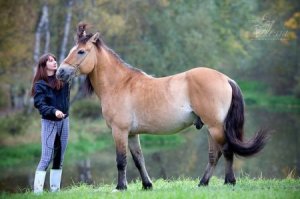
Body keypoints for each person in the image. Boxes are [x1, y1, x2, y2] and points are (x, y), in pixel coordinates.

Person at [31, 53, 70, 194]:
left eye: (55, 60)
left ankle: (55, 191)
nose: (54, 62)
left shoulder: (62, 80)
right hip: (49, 123)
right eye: (50, 61)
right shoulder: (39, 85)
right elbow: (39, 104)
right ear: (44, 65)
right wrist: (54, 111)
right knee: (46, 158)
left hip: (64, 122)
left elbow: (75, 67)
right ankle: (37, 192)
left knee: (59, 157)